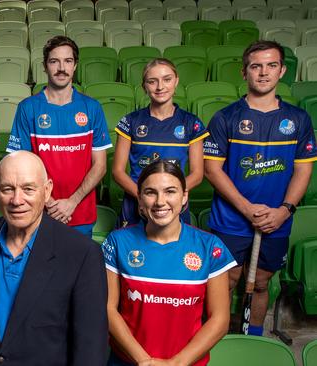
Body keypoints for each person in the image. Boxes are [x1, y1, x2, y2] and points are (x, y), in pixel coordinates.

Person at [204, 40, 317, 336]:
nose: (263, 73)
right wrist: (246, 208)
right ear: (244, 72)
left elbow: (303, 170)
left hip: (276, 221)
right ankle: (218, 338)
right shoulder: (225, 117)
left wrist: (284, 210)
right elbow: (211, 169)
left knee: (262, 282)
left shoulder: (298, 119)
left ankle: (253, 338)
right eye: (256, 66)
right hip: (231, 219)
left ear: (282, 71)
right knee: (227, 280)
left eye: (271, 66)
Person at [0, 151, 108, 366]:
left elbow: (90, 348)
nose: (17, 200)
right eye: (8, 189)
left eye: (28, 189)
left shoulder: (82, 253)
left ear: (47, 191)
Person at [102, 160, 235, 366]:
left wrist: (176, 363)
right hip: (128, 361)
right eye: (150, 192)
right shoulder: (117, 242)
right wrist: (144, 361)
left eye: (170, 191)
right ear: (139, 198)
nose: (160, 201)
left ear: (184, 197)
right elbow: (108, 309)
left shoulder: (209, 247)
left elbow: (220, 320)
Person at [6, 36, 112, 237]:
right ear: (45, 66)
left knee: (77, 268)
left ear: (75, 66)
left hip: (80, 213)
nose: (61, 68)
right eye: (54, 61)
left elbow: (100, 166)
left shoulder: (92, 108)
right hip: (38, 212)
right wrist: (49, 203)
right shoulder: (28, 108)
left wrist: (71, 202)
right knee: (39, 268)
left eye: (68, 61)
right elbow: (20, 166)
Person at [113, 58, 208, 228]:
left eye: (167, 79)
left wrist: (171, 196)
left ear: (176, 81)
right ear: (144, 86)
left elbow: (197, 173)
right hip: (137, 201)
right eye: (152, 81)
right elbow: (118, 171)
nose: (160, 87)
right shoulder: (131, 121)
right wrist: (142, 197)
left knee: (174, 253)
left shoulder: (191, 123)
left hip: (174, 203)